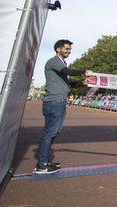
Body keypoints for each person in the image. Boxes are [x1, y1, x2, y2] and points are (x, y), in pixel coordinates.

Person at [34, 39, 91, 174]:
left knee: (54, 131)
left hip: (59, 101)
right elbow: (69, 71)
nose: (69, 51)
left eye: (70, 49)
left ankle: (45, 161)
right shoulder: (54, 61)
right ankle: (41, 164)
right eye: (66, 49)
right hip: (54, 101)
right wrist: (84, 71)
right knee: (50, 132)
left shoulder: (61, 64)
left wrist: (83, 83)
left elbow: (69, 83)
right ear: (58, 49)